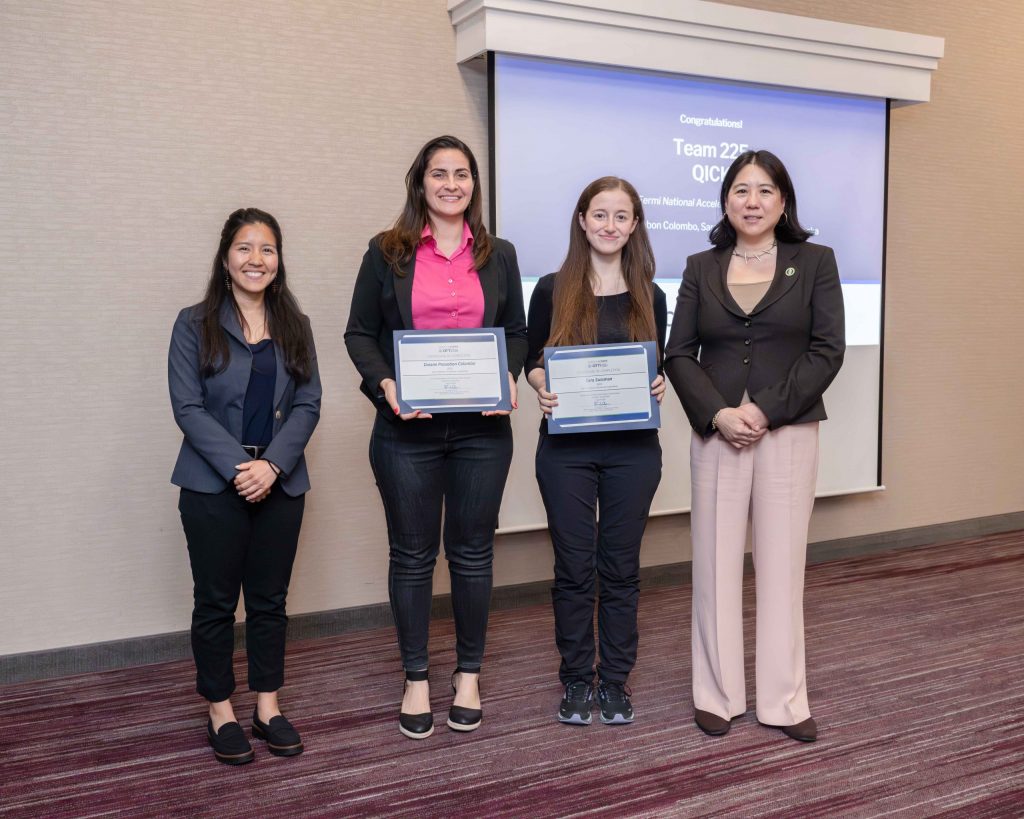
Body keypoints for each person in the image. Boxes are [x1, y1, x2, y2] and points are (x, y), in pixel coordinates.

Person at [344, 135, 527, 739]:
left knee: (473, 553)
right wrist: (385, 385)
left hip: (482, 432)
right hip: (406, 432)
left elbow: (517, 332)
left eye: (463, 174)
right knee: (413, 555)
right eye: (439, 173)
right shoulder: (386, 252)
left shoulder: (499, 254)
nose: (452, 183)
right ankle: (416, 676)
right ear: (419, 182)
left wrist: (508, 370)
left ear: (475, 184)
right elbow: (359, 335)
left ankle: (468, 672)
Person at [664, 150, 845, 742]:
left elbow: (827, 349)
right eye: (741, 190)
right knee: (714, 564)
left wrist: (764, 408)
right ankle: (716, 695)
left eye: (765, 190)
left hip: (786, 428)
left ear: (783, 201)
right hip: (717, 432)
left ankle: (784, 701)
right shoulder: (700, 266)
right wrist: (718, 412)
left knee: (782, 566)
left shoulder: (815, 262)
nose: (752, 201)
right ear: (724, 202)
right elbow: (677, 353)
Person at [169, 208, 321, 764]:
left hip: (281, 482)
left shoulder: (295, 324)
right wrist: (242, 467)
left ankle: (267, 706)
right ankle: (219, 709)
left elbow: (309, 403)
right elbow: (187, 407)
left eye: (267, 250)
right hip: (213, 485)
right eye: (244, 248)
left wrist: (273, 467)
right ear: (226, 256)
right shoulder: (193, 323)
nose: (256, 259)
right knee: (214, 602)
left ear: (279, 262)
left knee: (270, 601)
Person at [525, 177, 667, 726]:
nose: (610, 225)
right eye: (600, 214)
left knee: (622, 567)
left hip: (634, 450)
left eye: (621, 216)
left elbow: (656, 366)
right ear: (582, 220)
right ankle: (577, 680)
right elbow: (533, 359)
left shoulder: (651, 294)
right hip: (566, 453)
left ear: (634, 226)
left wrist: (658, 385)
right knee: (574, 568)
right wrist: (541, 382)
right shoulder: (550, 288)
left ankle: (615, 682)